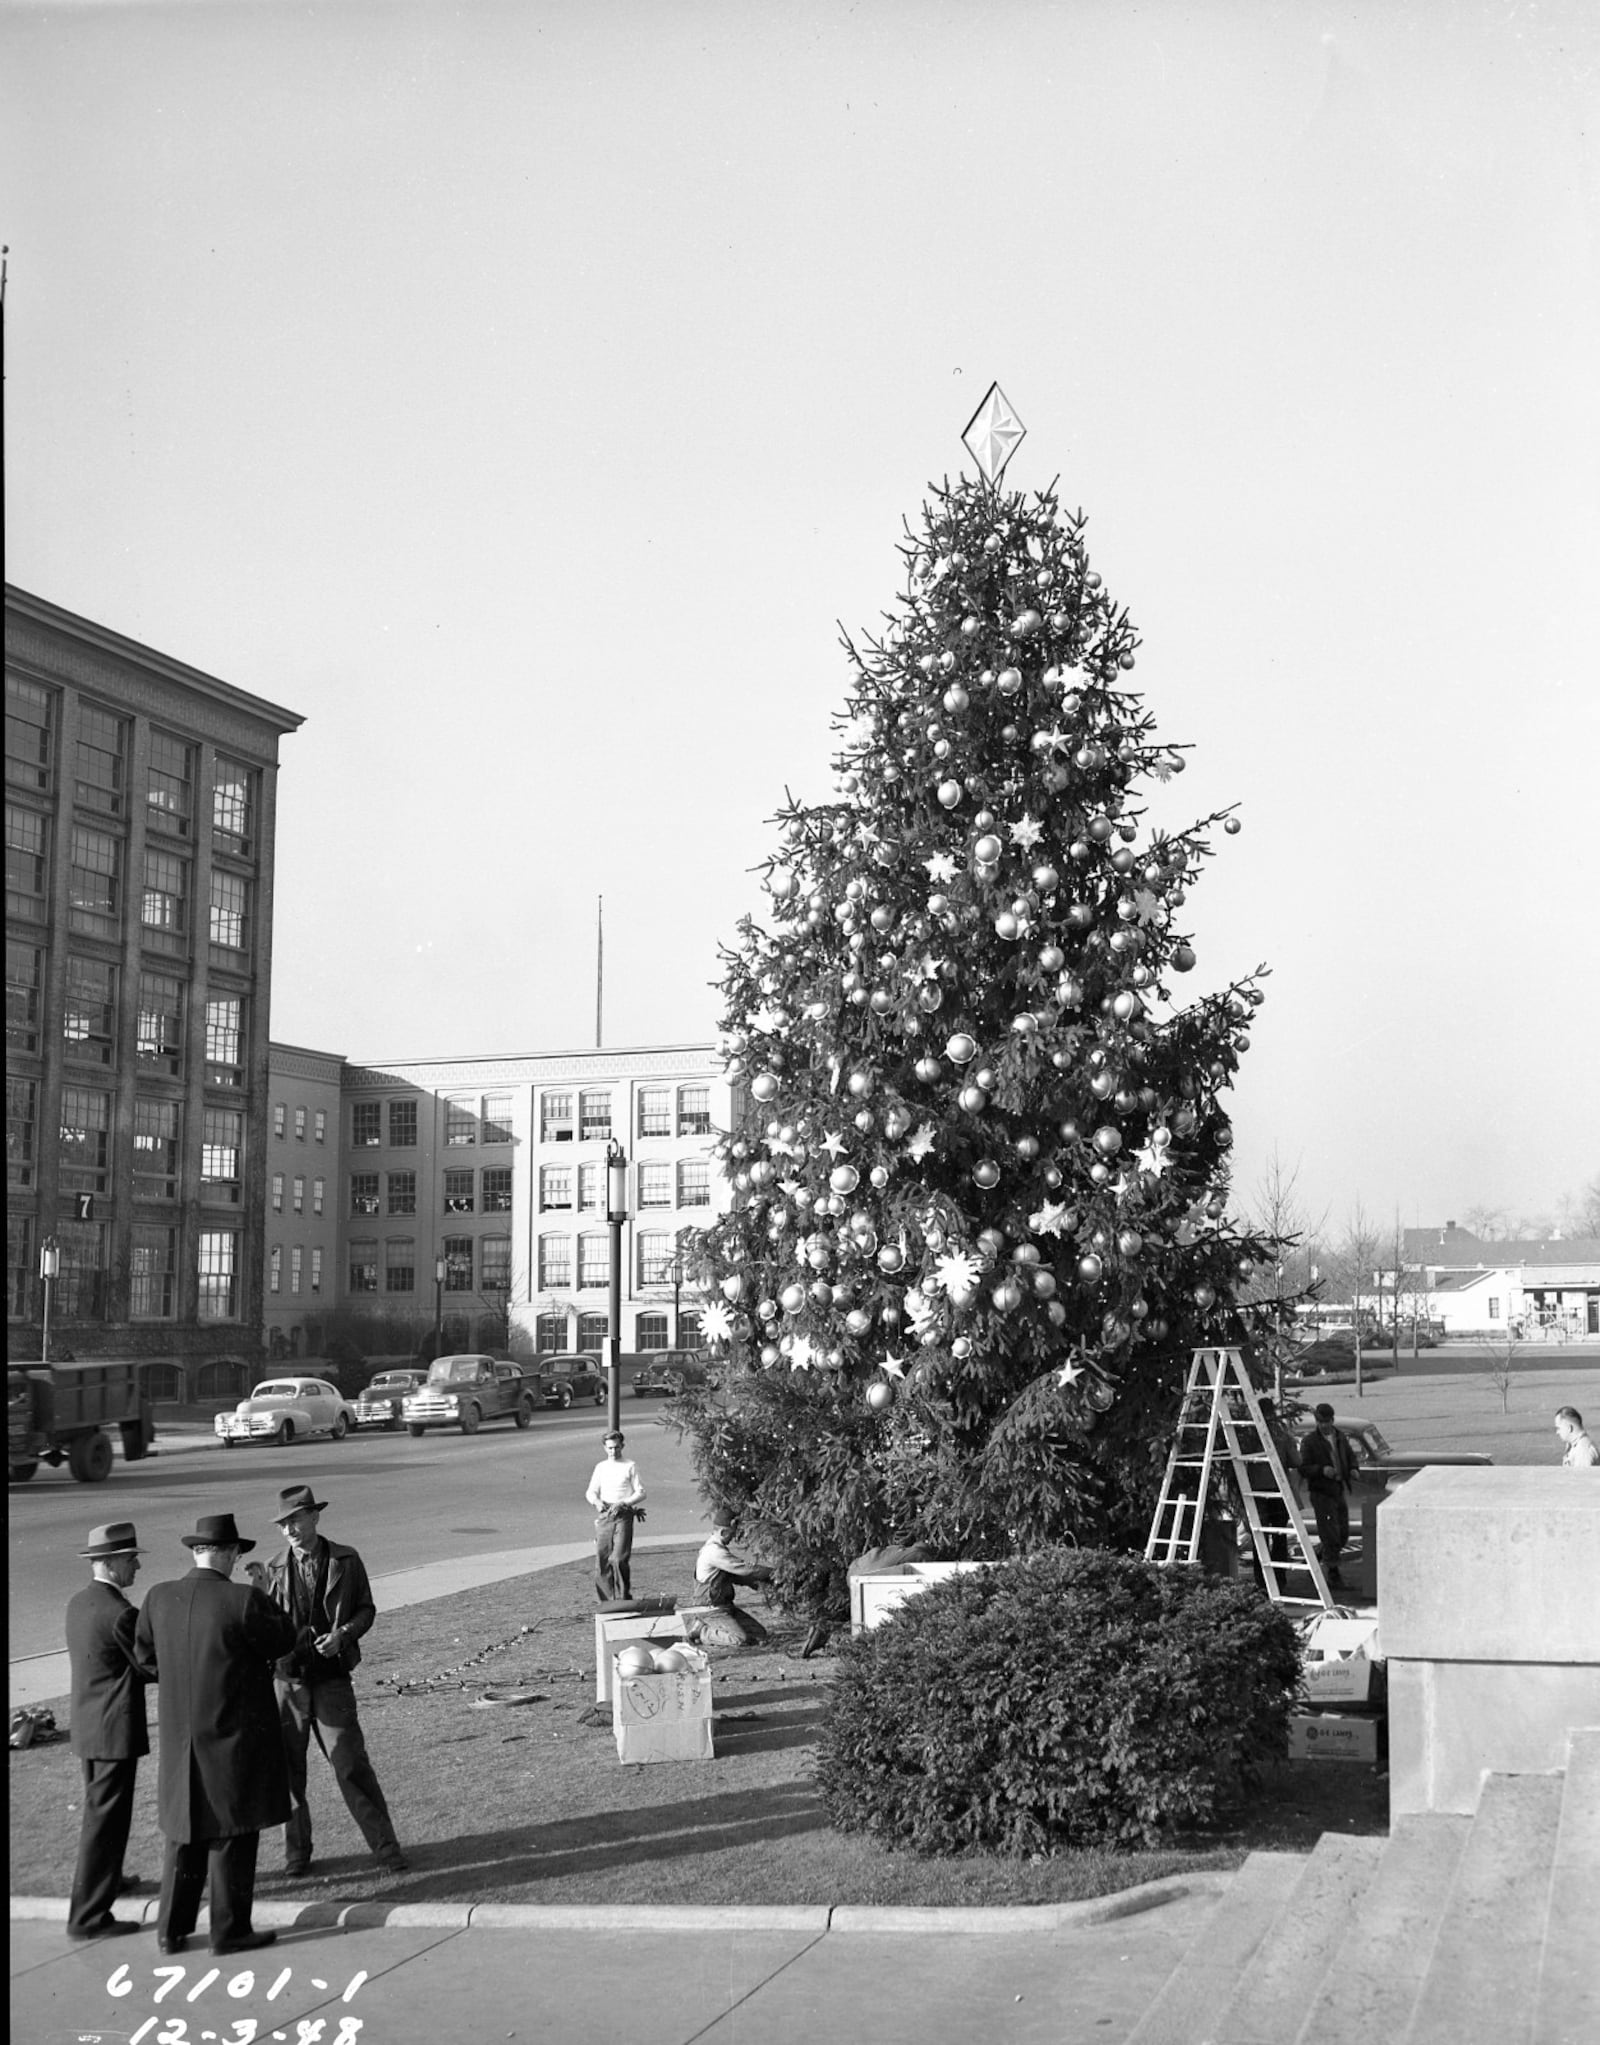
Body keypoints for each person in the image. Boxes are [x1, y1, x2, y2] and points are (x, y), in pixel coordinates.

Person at [132, 1512, 297, 1957]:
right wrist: (265, 1593)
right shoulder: (242, 1598)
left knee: (183, 1833)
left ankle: (171, 1930)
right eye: (236, 1553)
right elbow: (283, 1639)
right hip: (232, 1733)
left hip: (180, 1736)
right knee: (232, 1832)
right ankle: (228, 1930)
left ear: (195, 1551)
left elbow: (145, 1659)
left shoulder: (158, 1597)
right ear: (226, 1553)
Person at [259, 1483, 407, 1879]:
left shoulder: (346, 1559)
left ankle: (386, 1848)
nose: (289, 1529)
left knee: (350, 1763)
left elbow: (366, 1610)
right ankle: (297, 1854)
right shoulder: (272, 1570)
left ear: (315, 1517)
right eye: (283, 1524)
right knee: (290, 1773)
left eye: (296, 1520)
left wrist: (344, 1635)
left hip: (332, 1681)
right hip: (288, 1683)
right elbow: (264, 1629)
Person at [65, 1521, 153, 1941]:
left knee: (101, 1816)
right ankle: (89, 1917)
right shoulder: (121, 1613)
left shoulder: (79, 1603)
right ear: (112, 1562)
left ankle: (110, 1880)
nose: (136, 1565)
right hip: (113, 1731)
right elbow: (150, 1665)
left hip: (88, 1729)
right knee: (106, 1821)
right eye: (131, 1558)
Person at [1298, 1404, 1358, 1588]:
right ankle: (1333, 1575)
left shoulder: (1340, 1437)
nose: (1323, 1425)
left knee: (1343, 1534)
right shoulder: (1309, 1441)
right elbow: (1303, 1467)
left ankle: (1313, 1559)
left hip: (1338, 1488)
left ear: (1332, 1420)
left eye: (1326, 1421)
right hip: (1321, 1492)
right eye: (1320, 1421)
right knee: (1330, 1534)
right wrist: (1321, 1470)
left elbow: (1350, 1456)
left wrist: (1354, 1468)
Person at [586, 1429, 646, 1601]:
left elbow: (641, 1492)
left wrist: (624, 1503)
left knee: (619, 1559)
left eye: (617, 1447)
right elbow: (591, 1492)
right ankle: (606, 1601)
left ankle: (623, 1596)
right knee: (602, 1558)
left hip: (623, 1515)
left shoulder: (630, 1466)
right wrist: (596, 1502)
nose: (614, 1451)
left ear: (623, 1446)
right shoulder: (601, 1467)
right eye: (610, 1448)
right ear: (605, 1448)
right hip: (605, 1514)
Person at [695, 1524, 775, 1608]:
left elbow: (738, 1576)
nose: (732, 1537)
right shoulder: (715, 1552)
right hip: (710, 1606)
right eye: (731, 1533)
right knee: (745, 1622)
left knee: (747, 1621)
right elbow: (748, 1570)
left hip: (720, 1603)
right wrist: (776, 1574)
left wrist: (763, 1585)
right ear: (723, 1532)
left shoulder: (712, 1547)